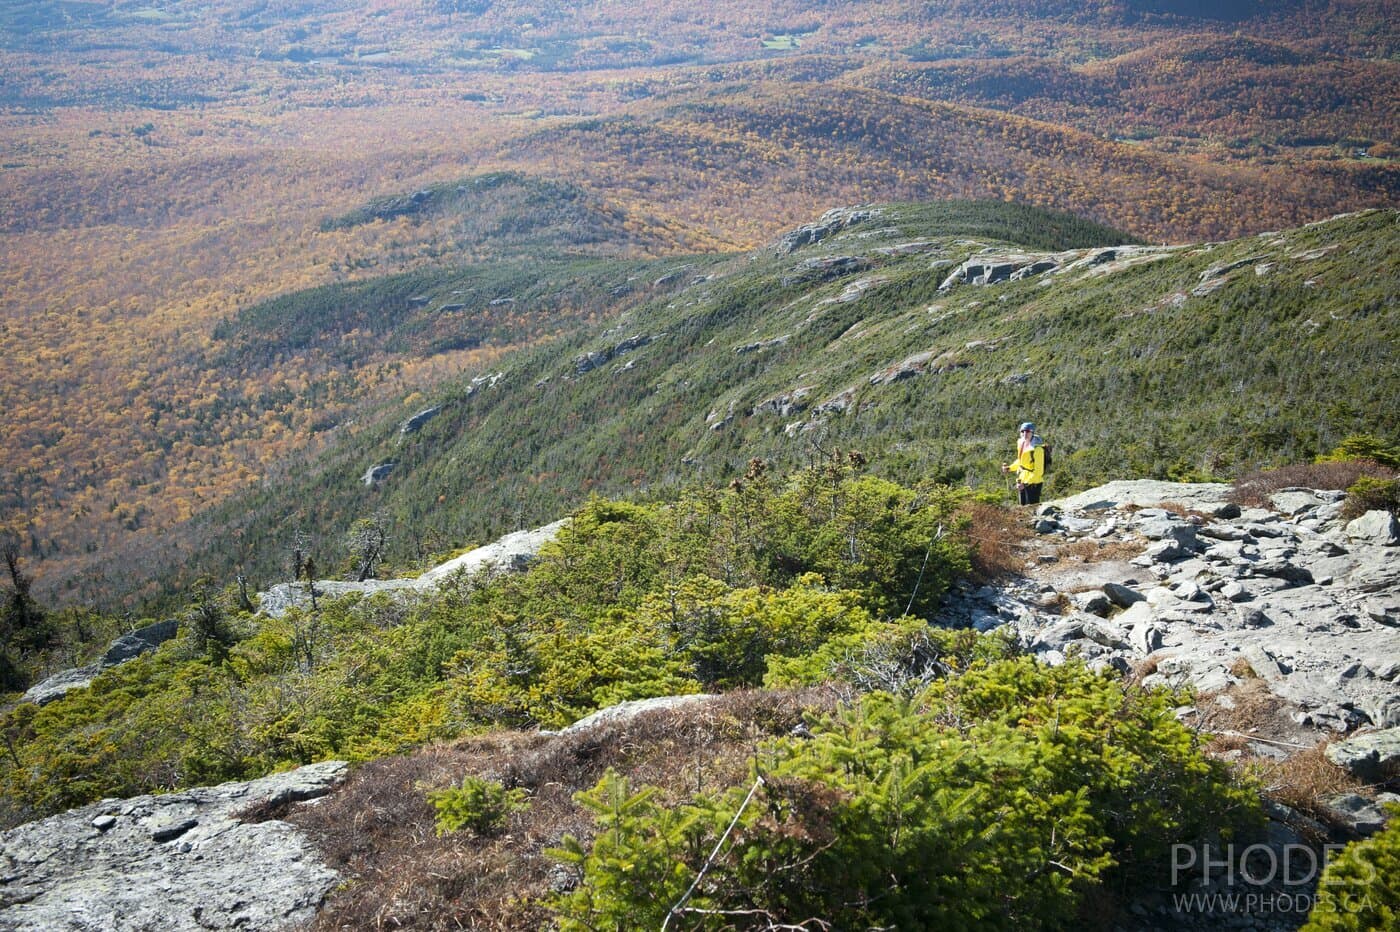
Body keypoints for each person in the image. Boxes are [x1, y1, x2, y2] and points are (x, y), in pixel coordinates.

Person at [1002, 421, 1045, 506]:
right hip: (1023, 479)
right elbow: (1020, 461)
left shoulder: (1037, 449)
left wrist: (1026, 484)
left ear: (1032, 433)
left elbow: (1039, 472)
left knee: (1032, 507)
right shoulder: (1022, 444)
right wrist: (1009, 468)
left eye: (1028, 431)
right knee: (1022, 506)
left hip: (1034, 483)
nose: (1025, 434)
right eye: (1023, 431)